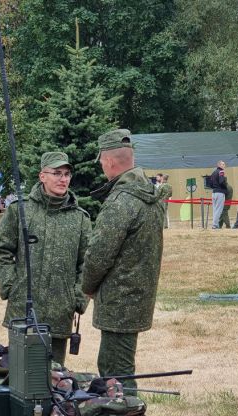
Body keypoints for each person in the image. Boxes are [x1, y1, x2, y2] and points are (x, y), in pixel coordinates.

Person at [82, 129, 164, 393]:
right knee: (121, 369)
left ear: (108, 161)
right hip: (137, 297)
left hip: (119, 302)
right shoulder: (148, 196)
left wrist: (87, 286)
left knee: (115, 376)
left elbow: (98, 254)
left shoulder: (121, 201)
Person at [0, 151, 92, 365]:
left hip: (60, 312)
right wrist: (11, 286)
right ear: (42, 176)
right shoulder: (21, 210)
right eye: (57, 173)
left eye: (67, 174)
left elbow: (87, 263)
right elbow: (1, 251)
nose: (63, 179)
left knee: (54, 380)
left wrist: (78, 298)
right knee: (20, 377)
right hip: (23, 311)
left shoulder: (80, 219)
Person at [210, 160, 228, 229]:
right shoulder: (221, 171)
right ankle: (214, 225)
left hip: (214, 192)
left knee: (215, 209)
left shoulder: (213, 172)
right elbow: (221, 181)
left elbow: (210, 184)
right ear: (219, 165)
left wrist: (215, 187)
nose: (224, 166)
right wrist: (225, 187)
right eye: (223, 164)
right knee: (219, 210)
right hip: (220, 193)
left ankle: (216, 225)